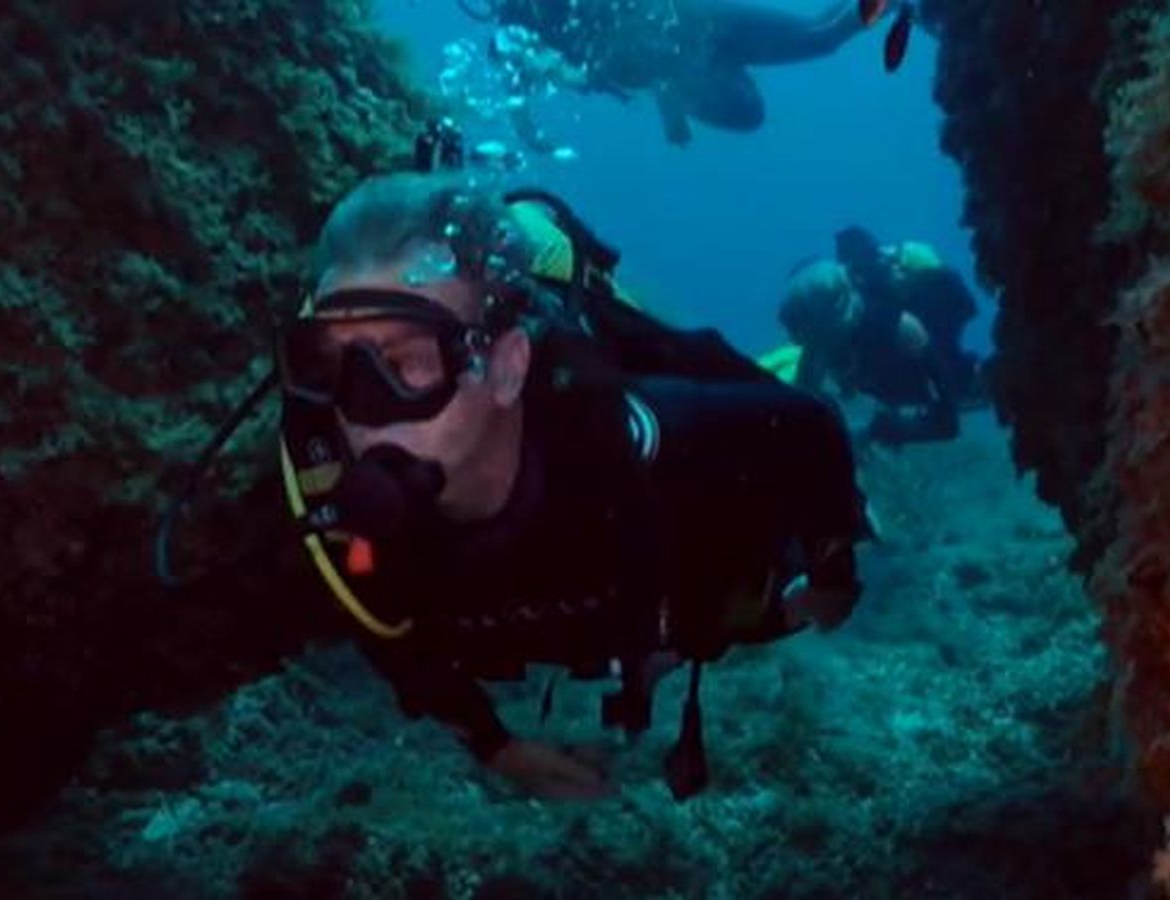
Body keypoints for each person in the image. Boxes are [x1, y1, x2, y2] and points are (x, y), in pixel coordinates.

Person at [267, 170, 873, 802]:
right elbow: (381, 627)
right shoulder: (321, 467)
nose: (361, 409)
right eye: (332, 363)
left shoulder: (626, 436)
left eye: (411, 361)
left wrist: (832, 570)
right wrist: (494, 746)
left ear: (507, 368)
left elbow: (810, 425)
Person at [457, 0, 870, 145]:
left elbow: (520, 98)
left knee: (823, 36)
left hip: (696, 29)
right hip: (687, 49)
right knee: (754, 110)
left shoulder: (520, 29)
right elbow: (517, 98)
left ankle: (906, 7)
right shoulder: (515, 30)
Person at [775, 226, 983, 447]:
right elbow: (804, 404)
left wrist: (883, 431)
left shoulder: (892, 325)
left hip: (922, 360)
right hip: (891, 375)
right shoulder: (819, 344)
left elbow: (947, 424)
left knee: (962, 382)